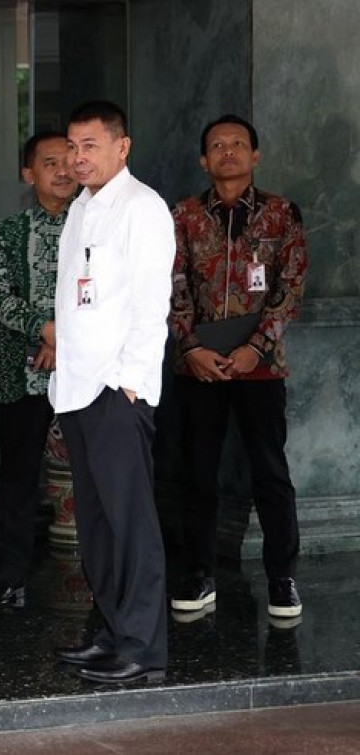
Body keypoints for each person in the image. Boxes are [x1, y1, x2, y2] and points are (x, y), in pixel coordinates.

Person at [49, 101, 174, 685]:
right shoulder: (80, 208)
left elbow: (153, 304)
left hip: (115, 389)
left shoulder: (142, 207)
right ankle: (109, 631)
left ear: (122, 147)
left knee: (130, 522)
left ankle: (142, 645)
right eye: (72, 147)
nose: (78, 157)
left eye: (90, 145)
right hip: (75, 386)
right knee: (95, 524)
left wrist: (130, 383)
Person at [168, 114, 308, 620]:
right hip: (199, 365)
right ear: (204, 160)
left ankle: (282, 578)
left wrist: (257, 347)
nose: (228, 151)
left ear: (255, 155)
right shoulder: (181, 215)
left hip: (261, 367)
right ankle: (198, 573)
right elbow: (172, 284)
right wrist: (189, 348)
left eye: (238, 144)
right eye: (217, 146)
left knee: (270, 473)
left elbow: (290, 287)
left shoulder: (280, 214)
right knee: (198, 472)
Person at [0, 130, 76, 607]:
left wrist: (65, 342)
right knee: (17, 477)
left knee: (96, 474)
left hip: (85, 372)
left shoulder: (96, 225)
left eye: (69, 160)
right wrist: (45, 330)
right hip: (22, 372)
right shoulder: (9, 231)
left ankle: (102, 579)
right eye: (50, 162)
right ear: (29, 173)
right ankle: (9, 579)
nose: (63, 170)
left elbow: (106, 295)